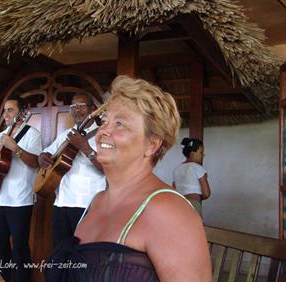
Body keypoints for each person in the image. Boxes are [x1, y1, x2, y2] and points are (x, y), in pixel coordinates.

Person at [45, 76, 212, 282]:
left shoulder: (169, 212)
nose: (104, 130)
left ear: (152, 144)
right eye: (105, 120)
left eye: (120, 123)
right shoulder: (96, 201)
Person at [0, 96, 42, 282]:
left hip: (20, 200)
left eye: (10, 110)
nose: (5, 114)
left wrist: (16, 148)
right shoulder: (0, 136)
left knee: (20, 248)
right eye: (4, 110)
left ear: (23, 113)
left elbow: (35, 163)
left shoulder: (33, 134)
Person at [38, 93, 106, 249]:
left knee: (84, 254)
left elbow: (107, 169)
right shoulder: (65, 134)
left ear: (93, 109)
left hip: (87, 204)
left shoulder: (103, 135)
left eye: (81, 106)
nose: (77, 110)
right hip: (61, 203)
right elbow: (46, 153)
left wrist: (84, 146)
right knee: (60, 251)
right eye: (73, 107)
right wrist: (42, 157)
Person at [173, 137, 211, 217]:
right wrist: (197, 197)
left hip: (179, 204)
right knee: (195, 227)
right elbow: (206, 193)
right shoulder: (198, 168)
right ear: (193, 153)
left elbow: (174, 187)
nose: (203, 155)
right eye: (201, 152)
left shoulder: (177, 169)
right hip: (194, 204)